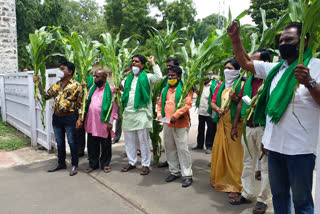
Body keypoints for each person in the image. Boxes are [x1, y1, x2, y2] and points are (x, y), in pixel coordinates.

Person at [227, 21, 320, 214]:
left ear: (303, 41)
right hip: (274, 148)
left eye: (289, 39)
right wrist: (236, 39)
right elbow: (245, 63)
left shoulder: (315, 66)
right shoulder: (277, 69)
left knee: (301, 201)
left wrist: (310, 82)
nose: (284, 43)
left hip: (300, 151)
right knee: (279, 197)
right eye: (282, 39)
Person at [229, 49, 271, 214]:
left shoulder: (270, 80)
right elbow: (240, 103)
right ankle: (247, 193)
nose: (251, 64)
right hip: (248, 126)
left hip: (263, 127)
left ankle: (262, 199)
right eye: (250, 61)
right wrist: (235, 125)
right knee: (247, 162)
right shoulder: (248, 81)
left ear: (266, 64)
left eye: (255, 61)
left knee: (266, 166)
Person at [33, 61, 83, 176]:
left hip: (70, 117)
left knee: (72, 142)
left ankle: (74, 165)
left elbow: (81, 104)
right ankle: (61, 163)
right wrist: (39, 85)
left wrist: (80, 119)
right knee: (59, 142)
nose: (60, 71)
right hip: (57, 118)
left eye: (62, 69)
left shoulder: (76, 85)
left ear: (70, 72)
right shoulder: (56, 84)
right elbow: (46, 96)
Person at [120, 55, 162, 175]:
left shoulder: (148, 77)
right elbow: (125, 92)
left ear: (142, 65)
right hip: (128, 113)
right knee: (129, 140)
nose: (134, 64)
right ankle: (132, 162)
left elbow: (159, 77)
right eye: (133, 62)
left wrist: (153, 63)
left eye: (137, 62)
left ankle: (145, 164)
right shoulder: (128, 79)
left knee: (143, 140)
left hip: (142, 113)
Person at [210, 59, 244, 199]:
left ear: (237, 70)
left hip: (235, 124)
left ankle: (236, 186)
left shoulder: (242, 84)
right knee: (221, 152)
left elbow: (245, 102)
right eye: (225, 68)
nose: (226, 71)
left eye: (229, 68)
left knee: (235, 156)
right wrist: (217, 109)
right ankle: (221, 179)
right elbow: (212, 102)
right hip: (222, 123)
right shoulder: (221, 85)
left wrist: (235, 98)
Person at [157, 65, 193, 187]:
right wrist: (158, 115)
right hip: (167, 123)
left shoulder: (185, 89)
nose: (170, 77)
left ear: (179, 77)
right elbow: (160, 103)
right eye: (169, 75)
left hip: (181, 124)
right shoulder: (165, 89)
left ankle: (187, 175)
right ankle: (174, 171)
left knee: (182, 149)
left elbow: (187, 104)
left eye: (173, 75)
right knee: (169, 147)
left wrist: (176, 115)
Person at [84, 69, 118, 173]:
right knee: (92, 144)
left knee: (105, 145)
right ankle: (93, 164)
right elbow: (87, 102)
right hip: (92, 121)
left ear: (104, 78)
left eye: (97, 77)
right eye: (95, 76)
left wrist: (110, 122)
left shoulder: (111, 90)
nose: (95, 79)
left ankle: (105, 164)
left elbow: (114, 108)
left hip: (104, 123)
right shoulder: (92, 89)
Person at [157, 58, 180, 168]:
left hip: (179, 120)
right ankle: (171, 163)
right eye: (167, 66)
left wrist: (176, 114)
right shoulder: (166, 80)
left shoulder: (183, 83)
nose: (168, 68)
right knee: (169, 144)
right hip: (167, 119)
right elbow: (161, 101)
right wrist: (159, 114)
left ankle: (180, 165)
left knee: (179, 145)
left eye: (170, 66)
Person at [193, 73, 218, 154]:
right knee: (200, 128)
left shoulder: (213, 85)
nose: (204, 77)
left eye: (206, 75)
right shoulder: (201, 85)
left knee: (210, 129)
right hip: (201, 111)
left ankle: (209, 146)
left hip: (209, 112)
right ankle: (199, 144)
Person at [76, 73, 94, 157]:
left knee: (88, 129)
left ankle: (88, 151)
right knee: (79, 130)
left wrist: (84, 88)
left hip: (86, 107)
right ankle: (80, 149)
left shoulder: (89, 77)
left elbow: (89, 91)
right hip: (78, 106)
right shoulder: (76, 76)